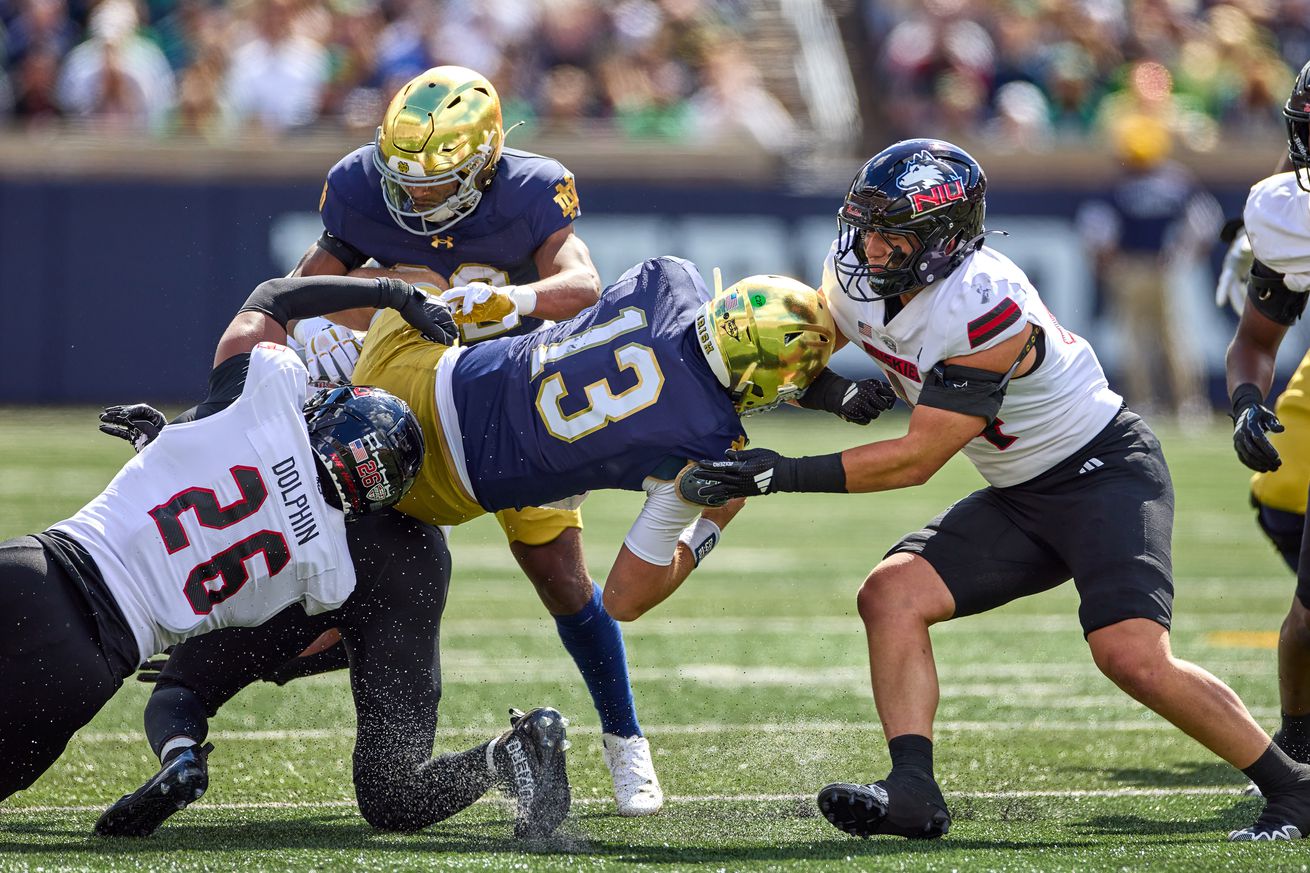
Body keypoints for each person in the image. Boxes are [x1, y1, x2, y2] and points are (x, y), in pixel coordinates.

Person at [98, 258, 880, 834]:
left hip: (396, 368)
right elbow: (632, 595)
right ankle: (492, 738)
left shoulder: (668, 279)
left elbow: (695, 336)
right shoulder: (706, 448)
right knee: (373, 725)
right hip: (419, 502)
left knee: (308, 379)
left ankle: (245, 447)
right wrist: (716, 517)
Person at [678, 138, 1310, 842]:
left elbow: (917, 458)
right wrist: (833, 392)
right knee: (891, 594)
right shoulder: (857, 274)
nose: (870, 250)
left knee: (1128, 653)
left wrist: (778, 473)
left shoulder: (985, 302)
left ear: (945, 240)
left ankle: (1292, 787)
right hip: (1020, 489)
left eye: (893, 236)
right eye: (866, 227)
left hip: (1102, 473)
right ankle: (912, 790)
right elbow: (817, 344)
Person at [283, 64, 660, 815]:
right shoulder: (358, 185)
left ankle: (626, 741)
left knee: (556, 569)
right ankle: (263, 663)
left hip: (514, 398)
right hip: (407, 394)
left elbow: (584, 285)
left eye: (438, 179)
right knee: (361, 546)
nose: (416, 194)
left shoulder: (531, 189)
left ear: (486, 162)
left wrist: (511, 298)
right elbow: (297, 295)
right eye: (406, 177)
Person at [87, 274, 573, 840]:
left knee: (180, 688)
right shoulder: (412, 481)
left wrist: (169, 440)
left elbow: (268, 307)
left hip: (301, 550)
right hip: (406, 554)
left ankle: (180, 755)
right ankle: (513, 753)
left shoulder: (276, 406)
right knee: (394, 794)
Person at [1224, 59, 1310, 780]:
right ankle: (1301, 766)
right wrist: (1246, 402)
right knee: (1282, 501)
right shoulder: (1288, 212)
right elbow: (1255, 341)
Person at [1076, 114, 1221, 420]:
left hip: (1131, 269)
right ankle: (1189, 405)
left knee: (1136, 341)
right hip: (1164, 267)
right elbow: (1206, 224)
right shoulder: (1177, 182)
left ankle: (1147, 402)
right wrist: (1184, 256)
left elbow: (1096, 233)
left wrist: (1109, 264)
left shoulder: (1117, 186)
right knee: (1175, 338)